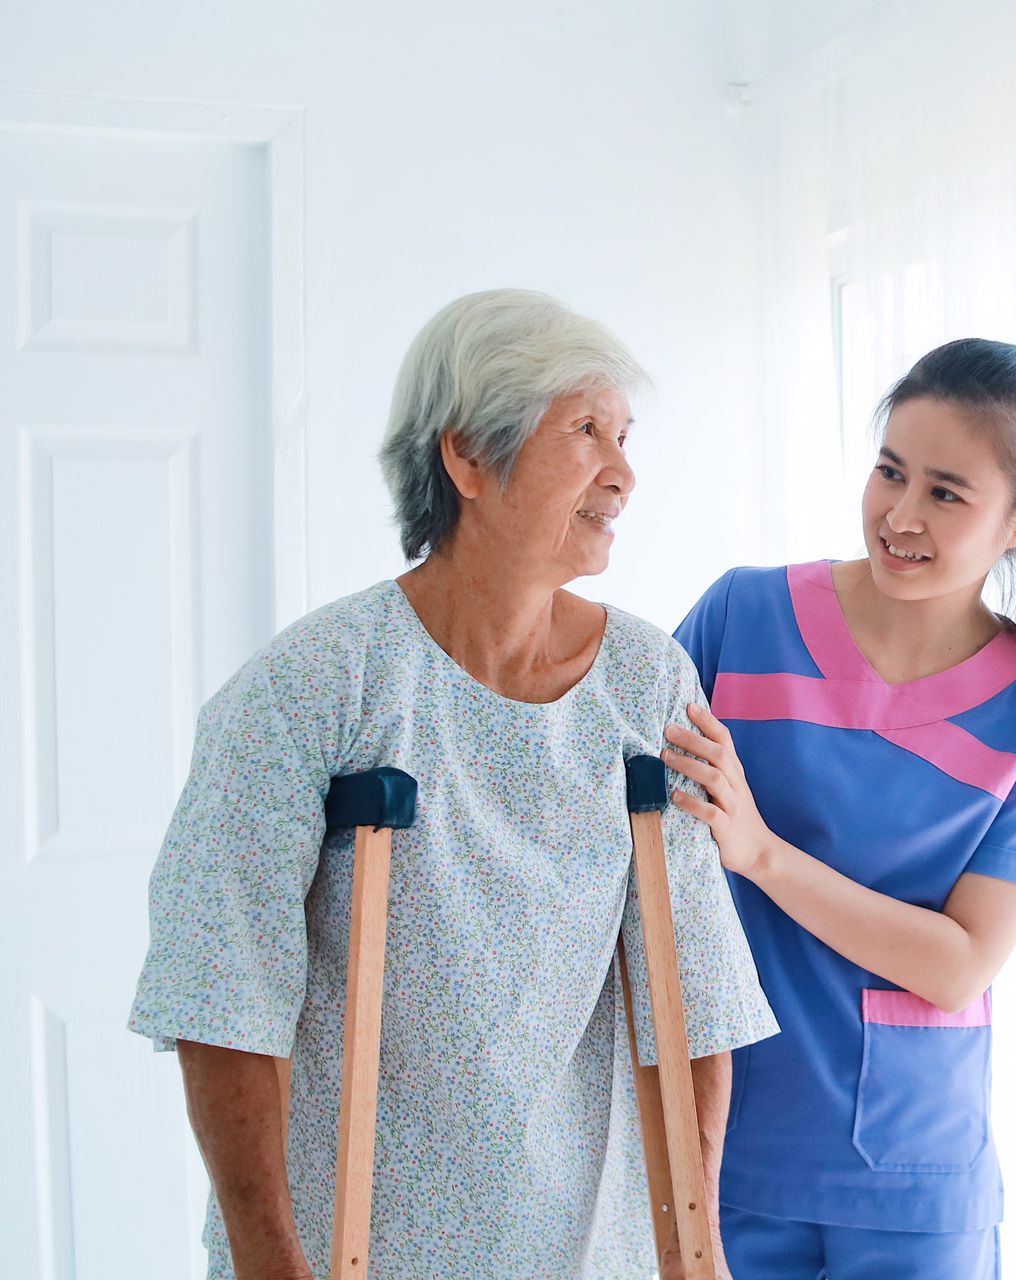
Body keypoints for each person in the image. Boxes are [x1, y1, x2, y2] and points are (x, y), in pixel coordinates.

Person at [128, 289, 777, 1279]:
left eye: (626, 434)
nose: (623, 471)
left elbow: (688, 989)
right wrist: (268, 1259)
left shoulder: (649, 685)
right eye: (587, 431)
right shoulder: (314, 686)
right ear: (469, 456)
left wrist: (696, 1249)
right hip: (354, 1243)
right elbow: (225, 993)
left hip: (584, 1246)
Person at [660, 338, 1016, 1278]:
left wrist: (760, 853)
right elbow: (623, 826)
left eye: (945, 492)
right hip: (719, 1150)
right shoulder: (741, 618)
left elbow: (960, 963)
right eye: (890, 471)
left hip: (910, 1189)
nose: (899, 514)